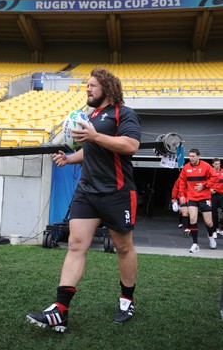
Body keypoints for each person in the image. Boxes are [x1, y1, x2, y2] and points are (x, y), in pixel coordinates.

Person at [27, 67, 141, 332]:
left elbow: (131, 146)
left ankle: (127, 299)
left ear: (107, 88)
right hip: (87, 190)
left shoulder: (123, 113)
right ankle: (61, 310)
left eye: (92, 85)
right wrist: (69, 158)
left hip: (117, 191)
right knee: (76, 246)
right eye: (87, 85)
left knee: (123, 248)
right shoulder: (92, 115)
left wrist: (94, 135)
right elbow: (91, 150)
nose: (87, 89)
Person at [179, 148, 217, 253]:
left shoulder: (206, 166)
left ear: (198, 156)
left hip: (205, 197)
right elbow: (182, 182)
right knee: (193, 220)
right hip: (192, 197)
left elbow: (215, 178)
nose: (191, 158)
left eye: (193, 156)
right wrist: (182, 195)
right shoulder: (186, 168)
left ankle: (210, 236)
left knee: (209, 222)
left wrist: (204, 185)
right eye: (190, 156)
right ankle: (195, 244)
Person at [210, 158, 223, 237]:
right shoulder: (209, 172)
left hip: (222, 195)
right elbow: (205, 183)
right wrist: (209, 190)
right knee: (213, 212)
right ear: (213, 164)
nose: (217, 165)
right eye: (216, 164)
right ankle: (214, 230)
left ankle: (222, 229)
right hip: (213, 195)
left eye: (219, 164)